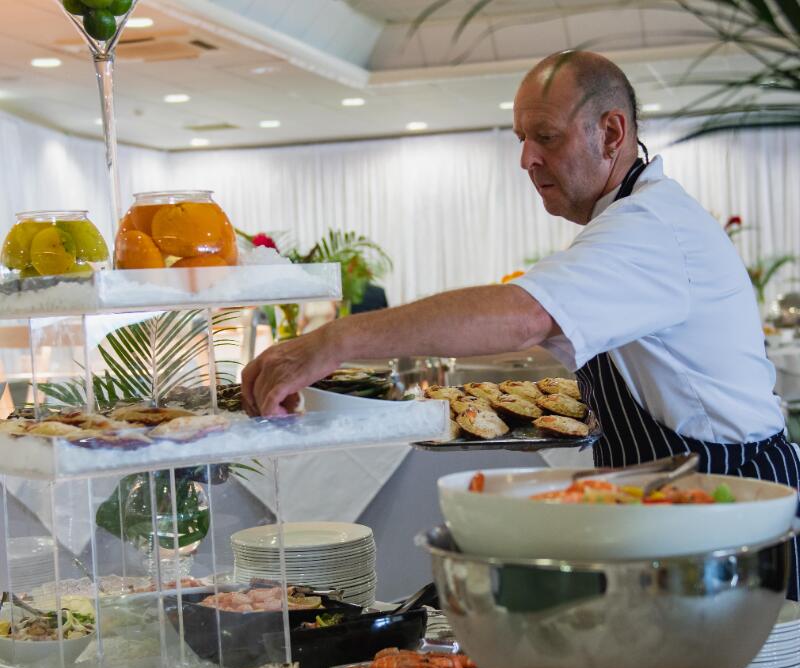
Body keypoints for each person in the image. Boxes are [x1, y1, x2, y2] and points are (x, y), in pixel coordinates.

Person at [243, 50, 799, 599]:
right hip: (668, 510)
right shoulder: (632, 219)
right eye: (520, 139)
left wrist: (334, 341)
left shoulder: (652, 228)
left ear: (611, 133)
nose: (526, 158)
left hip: (725, 513)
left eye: (546, 136)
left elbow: (523, 316)